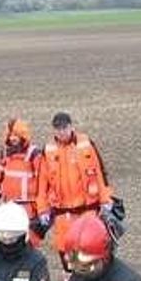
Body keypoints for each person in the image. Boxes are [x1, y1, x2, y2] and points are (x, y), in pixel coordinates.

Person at [35, 112, 114, 269]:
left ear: (71, 127)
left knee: (90, 246)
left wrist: (106, 200)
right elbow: (42, 184)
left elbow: (100, 173)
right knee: (65, 249)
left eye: (64, 128)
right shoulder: (48, 150)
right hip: (63, 213)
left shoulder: (86, 144)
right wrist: (42, 209)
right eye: (58, 129)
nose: (61, 132)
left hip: (88, 210)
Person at [0, 118, 45, 247]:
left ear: (22, 136)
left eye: (16, 135)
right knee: (9, 239)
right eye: (10, 135)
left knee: (29, 242)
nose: (13, 138)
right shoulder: (4, 153)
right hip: (9, 204)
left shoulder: (34, 154)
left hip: (28, 207)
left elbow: (42, 180)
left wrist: (41, 208)